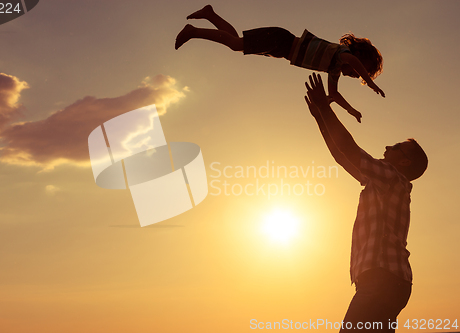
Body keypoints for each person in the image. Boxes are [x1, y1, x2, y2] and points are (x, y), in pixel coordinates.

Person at [304, 73, 428, 332]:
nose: (386, 148)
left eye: (395, 147)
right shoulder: (383, 183)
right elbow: (343, 157)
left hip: (383, 278)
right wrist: (320, 117)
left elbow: (350, 149)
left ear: (404, 162)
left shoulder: (393, 178)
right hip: (388, 281)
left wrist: (325, 109)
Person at [175, 5, 385, 122]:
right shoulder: (342, 53)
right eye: (360, 72)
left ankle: (210, 14)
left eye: (359, 76)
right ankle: (192, 31)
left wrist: (351, 110)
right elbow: (352, 61)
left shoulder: (334, 68)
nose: (357, 76)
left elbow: (335, 94)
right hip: (281, 40)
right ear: (360, 56)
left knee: (236, 43)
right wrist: (372, 84)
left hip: (279, 50)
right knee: (236, 44)